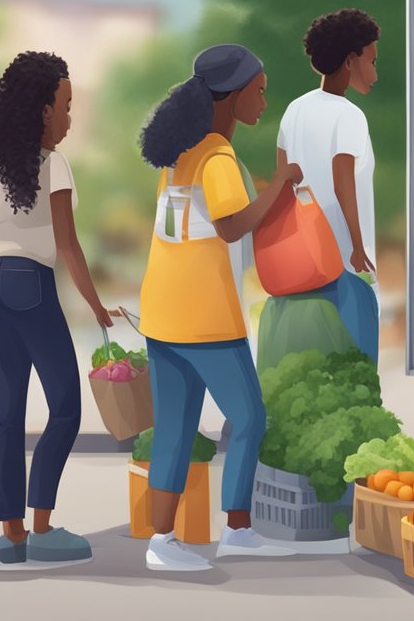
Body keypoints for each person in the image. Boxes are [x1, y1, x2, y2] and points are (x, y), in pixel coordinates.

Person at [136, 44, 303, 571]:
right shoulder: (217, 155)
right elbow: (233, 226)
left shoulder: (179, 153)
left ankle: (162, 543)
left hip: (163, 310)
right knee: (250, 417)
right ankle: (236, 528)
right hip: (205, 317)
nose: (264, 100)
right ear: (230, 97)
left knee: (175, 427)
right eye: (258, 89)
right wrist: (282, 183)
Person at [0, 51, 116, 569]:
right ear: (41, 110)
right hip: (29, 283)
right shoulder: (53, 163)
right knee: (65, 406)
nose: (69, 118)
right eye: (65, 105)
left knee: (8, 414)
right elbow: (69, 247)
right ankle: (42, 527)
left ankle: (9, 537)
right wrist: (98, 307)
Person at [276, 9, 381, 363]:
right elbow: (343, 181)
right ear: (350, 61)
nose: (375, 74)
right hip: (346, 265)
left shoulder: (294, 110)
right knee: (356, 362)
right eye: (371, 61)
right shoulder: (349, 115)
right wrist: (357, 245)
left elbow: (283, 181)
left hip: (304, 260)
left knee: (311, 363)